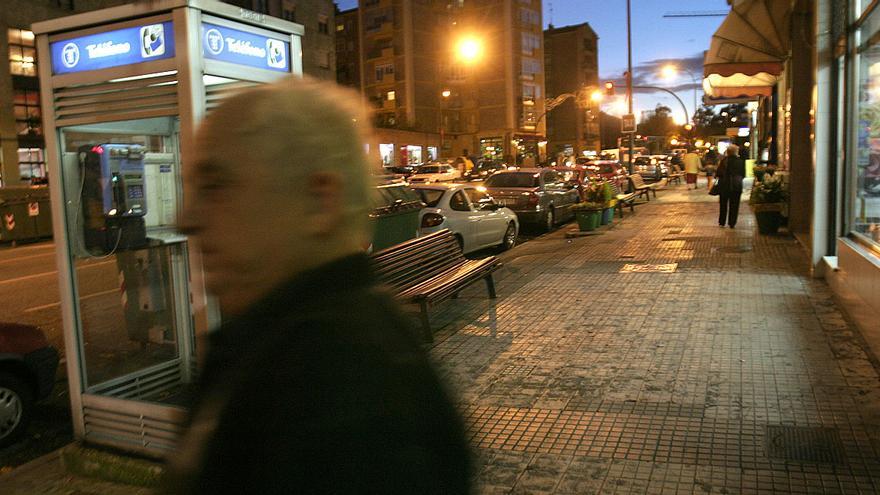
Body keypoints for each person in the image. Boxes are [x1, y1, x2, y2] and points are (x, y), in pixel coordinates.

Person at [166, 77, 472, 494]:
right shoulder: (282, 343)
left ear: (319, 203)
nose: (185, 219)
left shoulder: (340, 391)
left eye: (216, 185)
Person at [716, 144, 746, 228]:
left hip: (724, 185)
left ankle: (722, 221)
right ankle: (732, 223)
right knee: (734, 205)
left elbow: (718, 173)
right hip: (736, 186)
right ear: (736, 152)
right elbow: (743, 174)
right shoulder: (740, 161)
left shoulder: (724, 161)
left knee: (723, 204)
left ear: (728, 152)